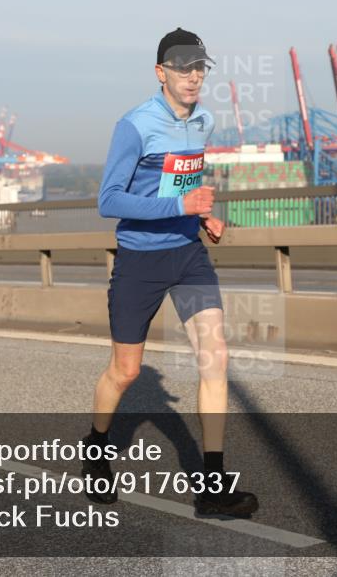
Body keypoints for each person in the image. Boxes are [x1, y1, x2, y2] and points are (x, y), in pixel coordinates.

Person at [82, 28, 258, 518]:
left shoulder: (202, 122)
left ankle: (213, 485)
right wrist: (179, 202)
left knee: (214, 356)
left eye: (200, 67)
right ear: (161, 73)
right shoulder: (134, 125)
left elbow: (185, 178)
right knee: (126, 371)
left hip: (187, 254)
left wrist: (201, 215)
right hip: (140, 260)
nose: (193, 76)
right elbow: (108, 201)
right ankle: (95, 450)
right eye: (183, 67)